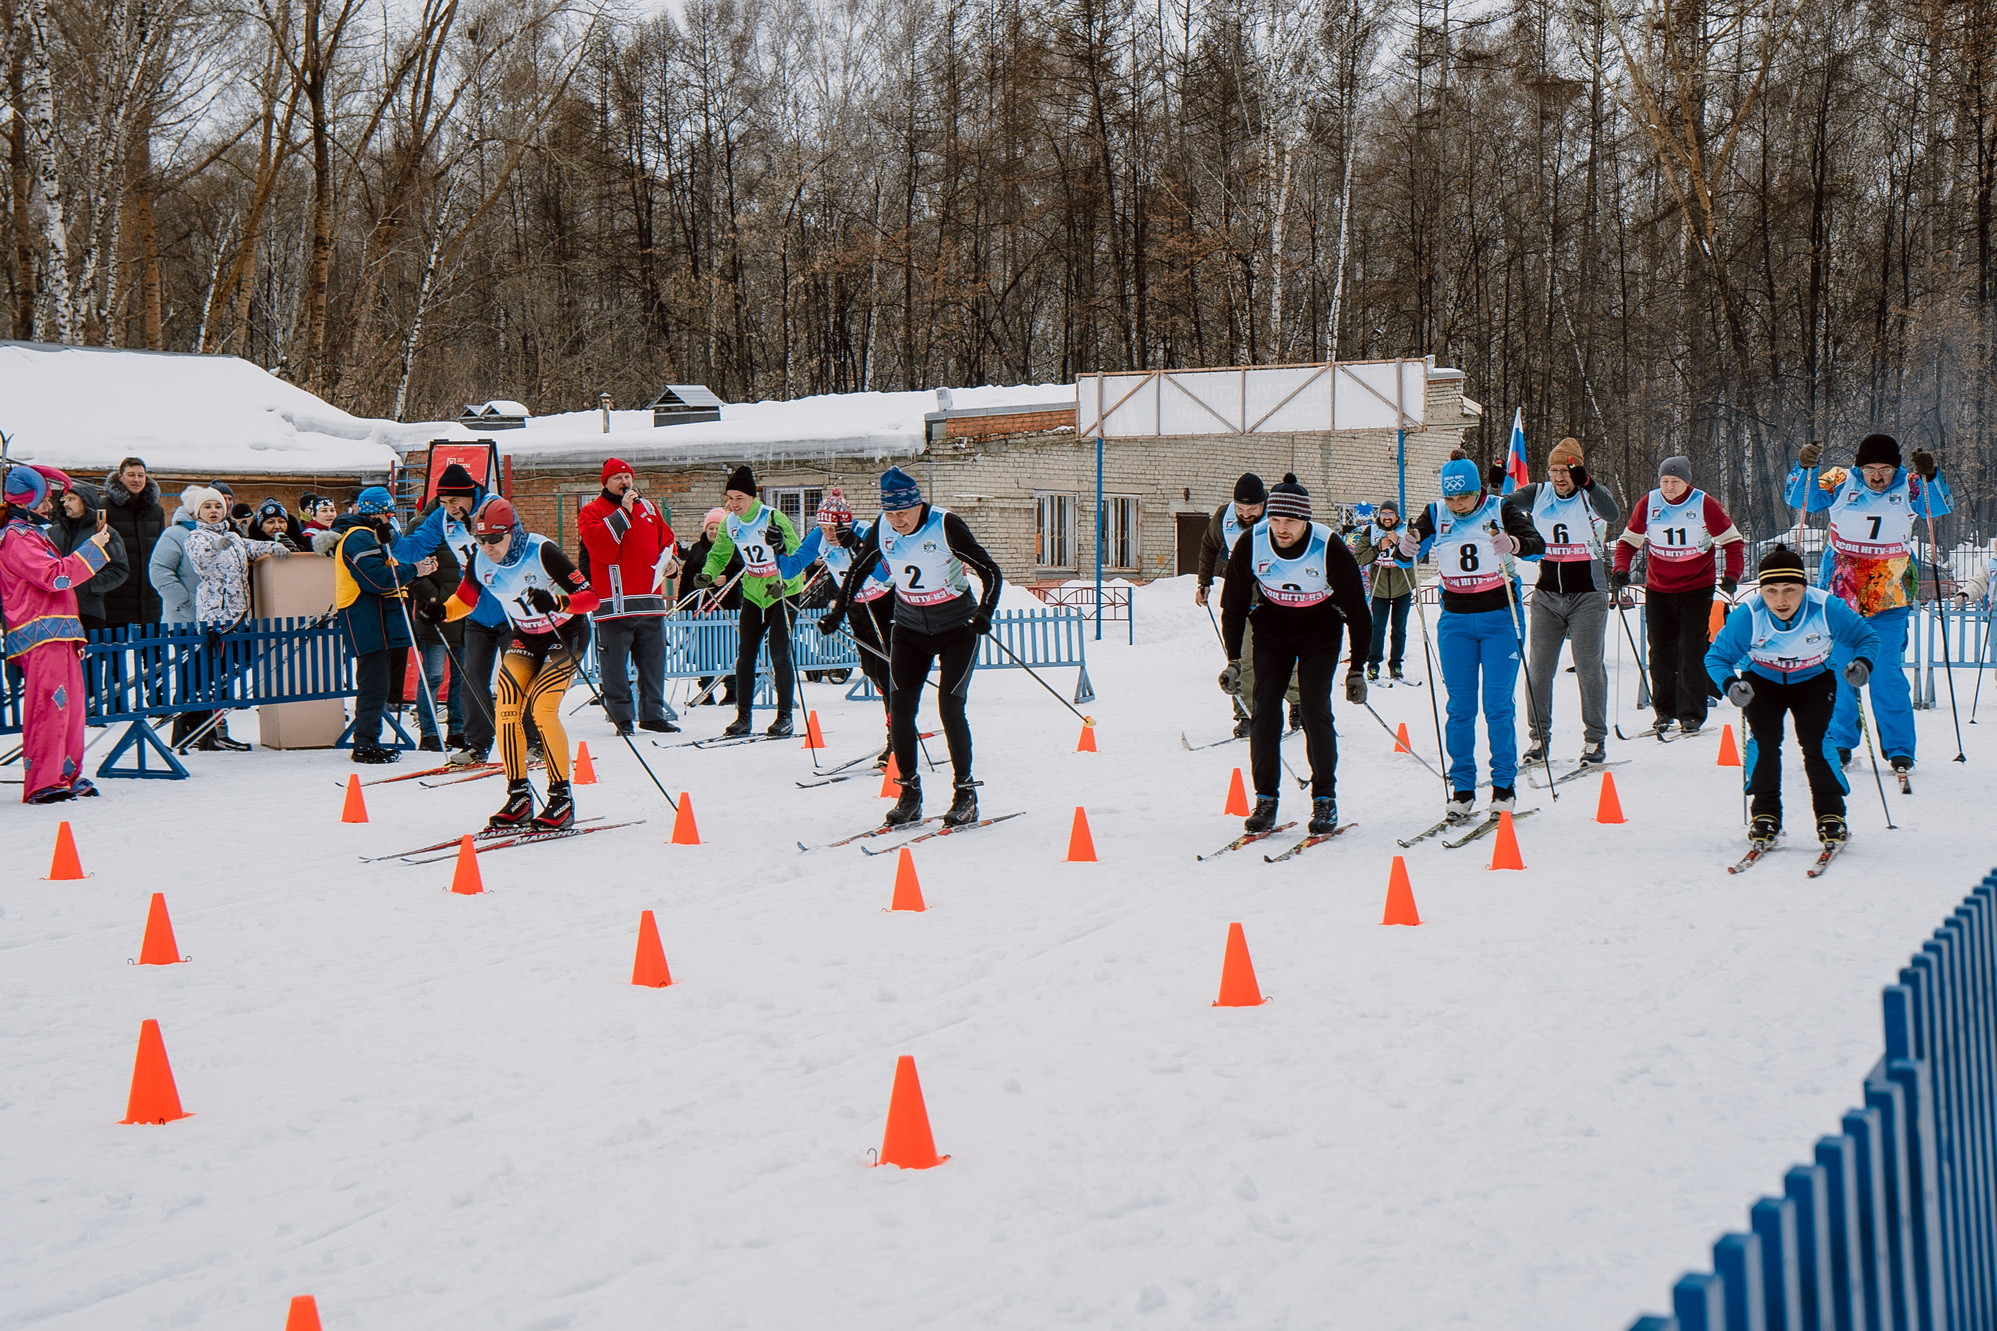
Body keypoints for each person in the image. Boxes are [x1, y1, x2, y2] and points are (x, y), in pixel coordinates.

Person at [821, 465, 1004, 827]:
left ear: (918, 504)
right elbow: (859, 570)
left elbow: (990, 570)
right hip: (909, 629)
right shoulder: (883, 526)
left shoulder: (945, 524)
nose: (897, 520)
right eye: (890, 512)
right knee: (901, 711)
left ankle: (965, 793)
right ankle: (909, 792)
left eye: (902, 511)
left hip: (957, 628)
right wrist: (839, 611)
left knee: (950, 707)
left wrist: (985, 611)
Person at [1783, 433, 1952, 774]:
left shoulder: (1910, 483)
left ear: (1897, 467)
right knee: (1841, 670)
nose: (1878, 477)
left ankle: (1900, 748)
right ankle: (1840, 742)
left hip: (1890, 592)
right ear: (1860, 466)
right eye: (1871, 469)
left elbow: (1938, 505)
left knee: (1886, 674)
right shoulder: (1841, 478)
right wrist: (1805, 468)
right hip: (1842, 589)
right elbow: (1803, 500)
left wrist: (1930, 475)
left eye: (1886, 469)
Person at [1219, 474, 1372, 836]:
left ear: (1305, 520)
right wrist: (1234, 661)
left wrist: (1357, 668)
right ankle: (1266, 799)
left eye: (1289, 521)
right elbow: (1234, 605)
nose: (1281, 529)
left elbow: (1358, 611)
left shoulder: (1328, 545)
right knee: (1265, 710)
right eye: (1274, 520)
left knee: (1315, 709)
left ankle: (1324, 799)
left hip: (1320, 629)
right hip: (1272, 628)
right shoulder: (1252, 542)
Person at [1400, 452, 1547, 822]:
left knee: (1497, 706)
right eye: (1451, 499)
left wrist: (1513, 544)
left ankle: (1503, 787)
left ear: (1476, 489)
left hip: (1501, 616)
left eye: (1463, 497)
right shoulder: (1435, 512)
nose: (1457, 505)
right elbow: (1412, 550)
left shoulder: (1501, 508)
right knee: (1460, 708)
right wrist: (1406, 548)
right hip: (1456, 621)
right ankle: (1463, 788)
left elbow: (1537, 543)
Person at [436, 498, 599, 832]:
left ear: (512, 532)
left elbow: (591, 597)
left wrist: (558, 600)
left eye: (494, 539)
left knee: (542, 709)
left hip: (564, 634)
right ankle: (518, 795)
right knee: (506, 708)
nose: (487, 547)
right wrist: (440, 612)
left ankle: (560, 798)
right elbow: (465, 599)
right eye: (480, 539)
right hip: (525, 636)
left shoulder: (542, 552)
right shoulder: (480, 561)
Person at [1706, 544, 1882, 850]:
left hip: (1813, 679)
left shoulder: (1826, 607)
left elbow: (1867, 637)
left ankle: (1831, 815)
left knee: (1816, 743)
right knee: (1765, 741)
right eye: (1771, 591)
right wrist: (1730, 684)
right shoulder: (1749, 615)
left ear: (1804, 587)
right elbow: (1716, 657)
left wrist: (1864, 664)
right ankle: (1764, 815)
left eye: (1790, 589)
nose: (1781, 600)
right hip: (1761, 680)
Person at [1506, 437, 1623, 766]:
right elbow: (1505, 506)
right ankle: (1538, 739)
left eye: (1566, 470)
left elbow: (1612, 511)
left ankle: (1595, 740)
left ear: (1578, 470)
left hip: (1588, 594)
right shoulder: (1538, 493)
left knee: (1588, 668)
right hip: (1547, 595)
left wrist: (1589, 483)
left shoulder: (1590, 494)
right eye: (1554, 470)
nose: (1559, 477)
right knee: (1539, 670)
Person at [1, 466, 114, 801]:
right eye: (43, 502)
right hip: (40, 633)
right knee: (48, 707)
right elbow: (54, 577)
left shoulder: (35, 535)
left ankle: (68, 774)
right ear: (27, 502)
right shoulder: (16, 539)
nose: (50, 507)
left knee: (72, 706)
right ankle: (43, 780)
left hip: (60, 632)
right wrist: (93, 548)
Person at [1612, 456, 1746, 736]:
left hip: (1696, 588)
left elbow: (1732, 542)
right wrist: (1621, 568)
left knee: (1691, 649)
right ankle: (1664, 711)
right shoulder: (1649, 503)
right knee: (1660, 650)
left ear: (1687, 482)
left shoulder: (1704, 503)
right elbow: (1628, 542)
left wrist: (1732, 575)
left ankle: (1691, 713)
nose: (1669, 487)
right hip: (1659, 588)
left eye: (1675, 482)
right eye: (1665, 481)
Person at [393, 463, 510, 765]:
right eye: (443, 503)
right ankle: (477, 745)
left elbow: (517, 548)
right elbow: (412, 551)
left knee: (515, 680)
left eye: (454, 502)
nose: (450, 508)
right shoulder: (442, 518)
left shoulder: (496, 508)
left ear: (470, 494)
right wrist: (390, 539)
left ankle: (533, 740)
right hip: (475, 609)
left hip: (510, 607)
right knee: (473, 681)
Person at [330, 488, 437, 764]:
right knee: (374, 682)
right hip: (366, 616)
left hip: (383, 617)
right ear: (375, 514)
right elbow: (376, 579)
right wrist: (415, 570)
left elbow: (390, 571)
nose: (390, 520)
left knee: (384, 683)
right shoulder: (358, 537)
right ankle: (365, 743)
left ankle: (371, 739)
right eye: (387, 515)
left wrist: (416, 571)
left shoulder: (374, 536)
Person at [698, 465, 806, 737]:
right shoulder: (730, 522)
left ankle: (784, 717)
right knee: (745, 655)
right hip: (753, 592)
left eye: (739, 498)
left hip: (781, 590)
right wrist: (707, 574)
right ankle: (743, 716)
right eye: (730, 498)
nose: (734, 504)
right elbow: (719, 554)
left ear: (752, 497)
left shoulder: (772, 517)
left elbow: (796, 555)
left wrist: (785, 582)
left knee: (779, 654)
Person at [578, 457, 682, 736]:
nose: (625, 482)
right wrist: (622, 513)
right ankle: (622, 717)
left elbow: (667, 541)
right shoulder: (591, 511)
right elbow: (600, 548)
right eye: (618, 478)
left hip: (651, 600)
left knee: (653, 661)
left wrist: (672, 563)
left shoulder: (648, 508)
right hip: (615, 604)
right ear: (606, 482)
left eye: (628, 477)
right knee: (614, 666)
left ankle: (652, 714)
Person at [184, 485, 290, 750]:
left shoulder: (233, 536)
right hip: (215, 617)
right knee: (212, 675)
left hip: (238, 614)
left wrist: (273, 546)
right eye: (207, 507)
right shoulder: (196, 537)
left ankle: (215, 730)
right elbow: (201, 562)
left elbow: (251, 548)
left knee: (226, 674)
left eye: (218, 506)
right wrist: (216, 547)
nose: (213, 511)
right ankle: (212, 732)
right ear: (198, 512)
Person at [1196, 472, 1303, 736]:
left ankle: (1300, 704)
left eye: (1252, 508)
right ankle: (1246, 713)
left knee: (1286, 659)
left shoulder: (1280, 517)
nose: (1245, 513)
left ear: (1264, 503)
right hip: (1241, 600)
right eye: (1241, 508)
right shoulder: (1225, 515)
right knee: (1242, 660)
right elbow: (1210, 546)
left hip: (1279, 600)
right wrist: (1204, 581)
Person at [814, 487, 896, 758]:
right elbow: (799, 563)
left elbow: (886, 569)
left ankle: (896, 733)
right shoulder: (824, 542)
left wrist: (858, 546)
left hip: (884, 603)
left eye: (833, 528)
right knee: (869, 668)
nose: (829, 535)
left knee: (887, 669)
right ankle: (897, 713)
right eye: (823, 528)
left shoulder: (865, 533)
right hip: (857, 608)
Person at [403, 528, 462, 752]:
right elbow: (415, 574)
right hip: (434, 615)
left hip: (464, 615)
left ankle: (458, 730)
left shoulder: (466, 529)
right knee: (433, 676)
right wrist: (435, 598)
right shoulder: (425, 528)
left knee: (461, 677)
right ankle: (429, 733)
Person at [49, 479, 130, 634]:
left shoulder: (104, 533)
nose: (65, 504)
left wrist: (88, 585)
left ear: (85, 502)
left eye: (71, 499)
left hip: (88, 610)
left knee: (91, 656)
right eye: (64, 499)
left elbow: (119, 569)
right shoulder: (52, 533)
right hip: (55, 611)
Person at [1352, 498, 1418, 682]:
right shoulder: (1371, 530)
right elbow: (1359, 557)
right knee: (1377, 628)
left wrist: (1400, 543)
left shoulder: (1406, 530)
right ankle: (1373, 666)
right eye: (1383, 514)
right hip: (1379, 587)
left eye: (1390, 514)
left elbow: (1417, 556)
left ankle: (1396, 665)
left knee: (1399, 628)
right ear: (1379, 515)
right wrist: (1378, 547)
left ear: (1397, 515)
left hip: (1402, 586)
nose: (1387, 517)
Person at [683, 507, 741, 706]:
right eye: (711, 527)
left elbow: (742, 571)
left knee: (729, 649)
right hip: (701, 607)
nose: (714, 531)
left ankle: (732, 689)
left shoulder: (732, 547)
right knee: (702, 651)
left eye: (717, 527)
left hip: (728, 606)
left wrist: (727, 578)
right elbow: (686, 576)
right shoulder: (696, 549)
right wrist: (685, 604)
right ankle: (706, 690)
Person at [99, 457, 164, 626]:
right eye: (131, 475)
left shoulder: (156, 510)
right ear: (120, 477)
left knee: (151, 648)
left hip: (150, 593)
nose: (136, 480)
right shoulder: (104, 507)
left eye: (140, 475)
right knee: (114, 647)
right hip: (115, 592)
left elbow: (160, 550)